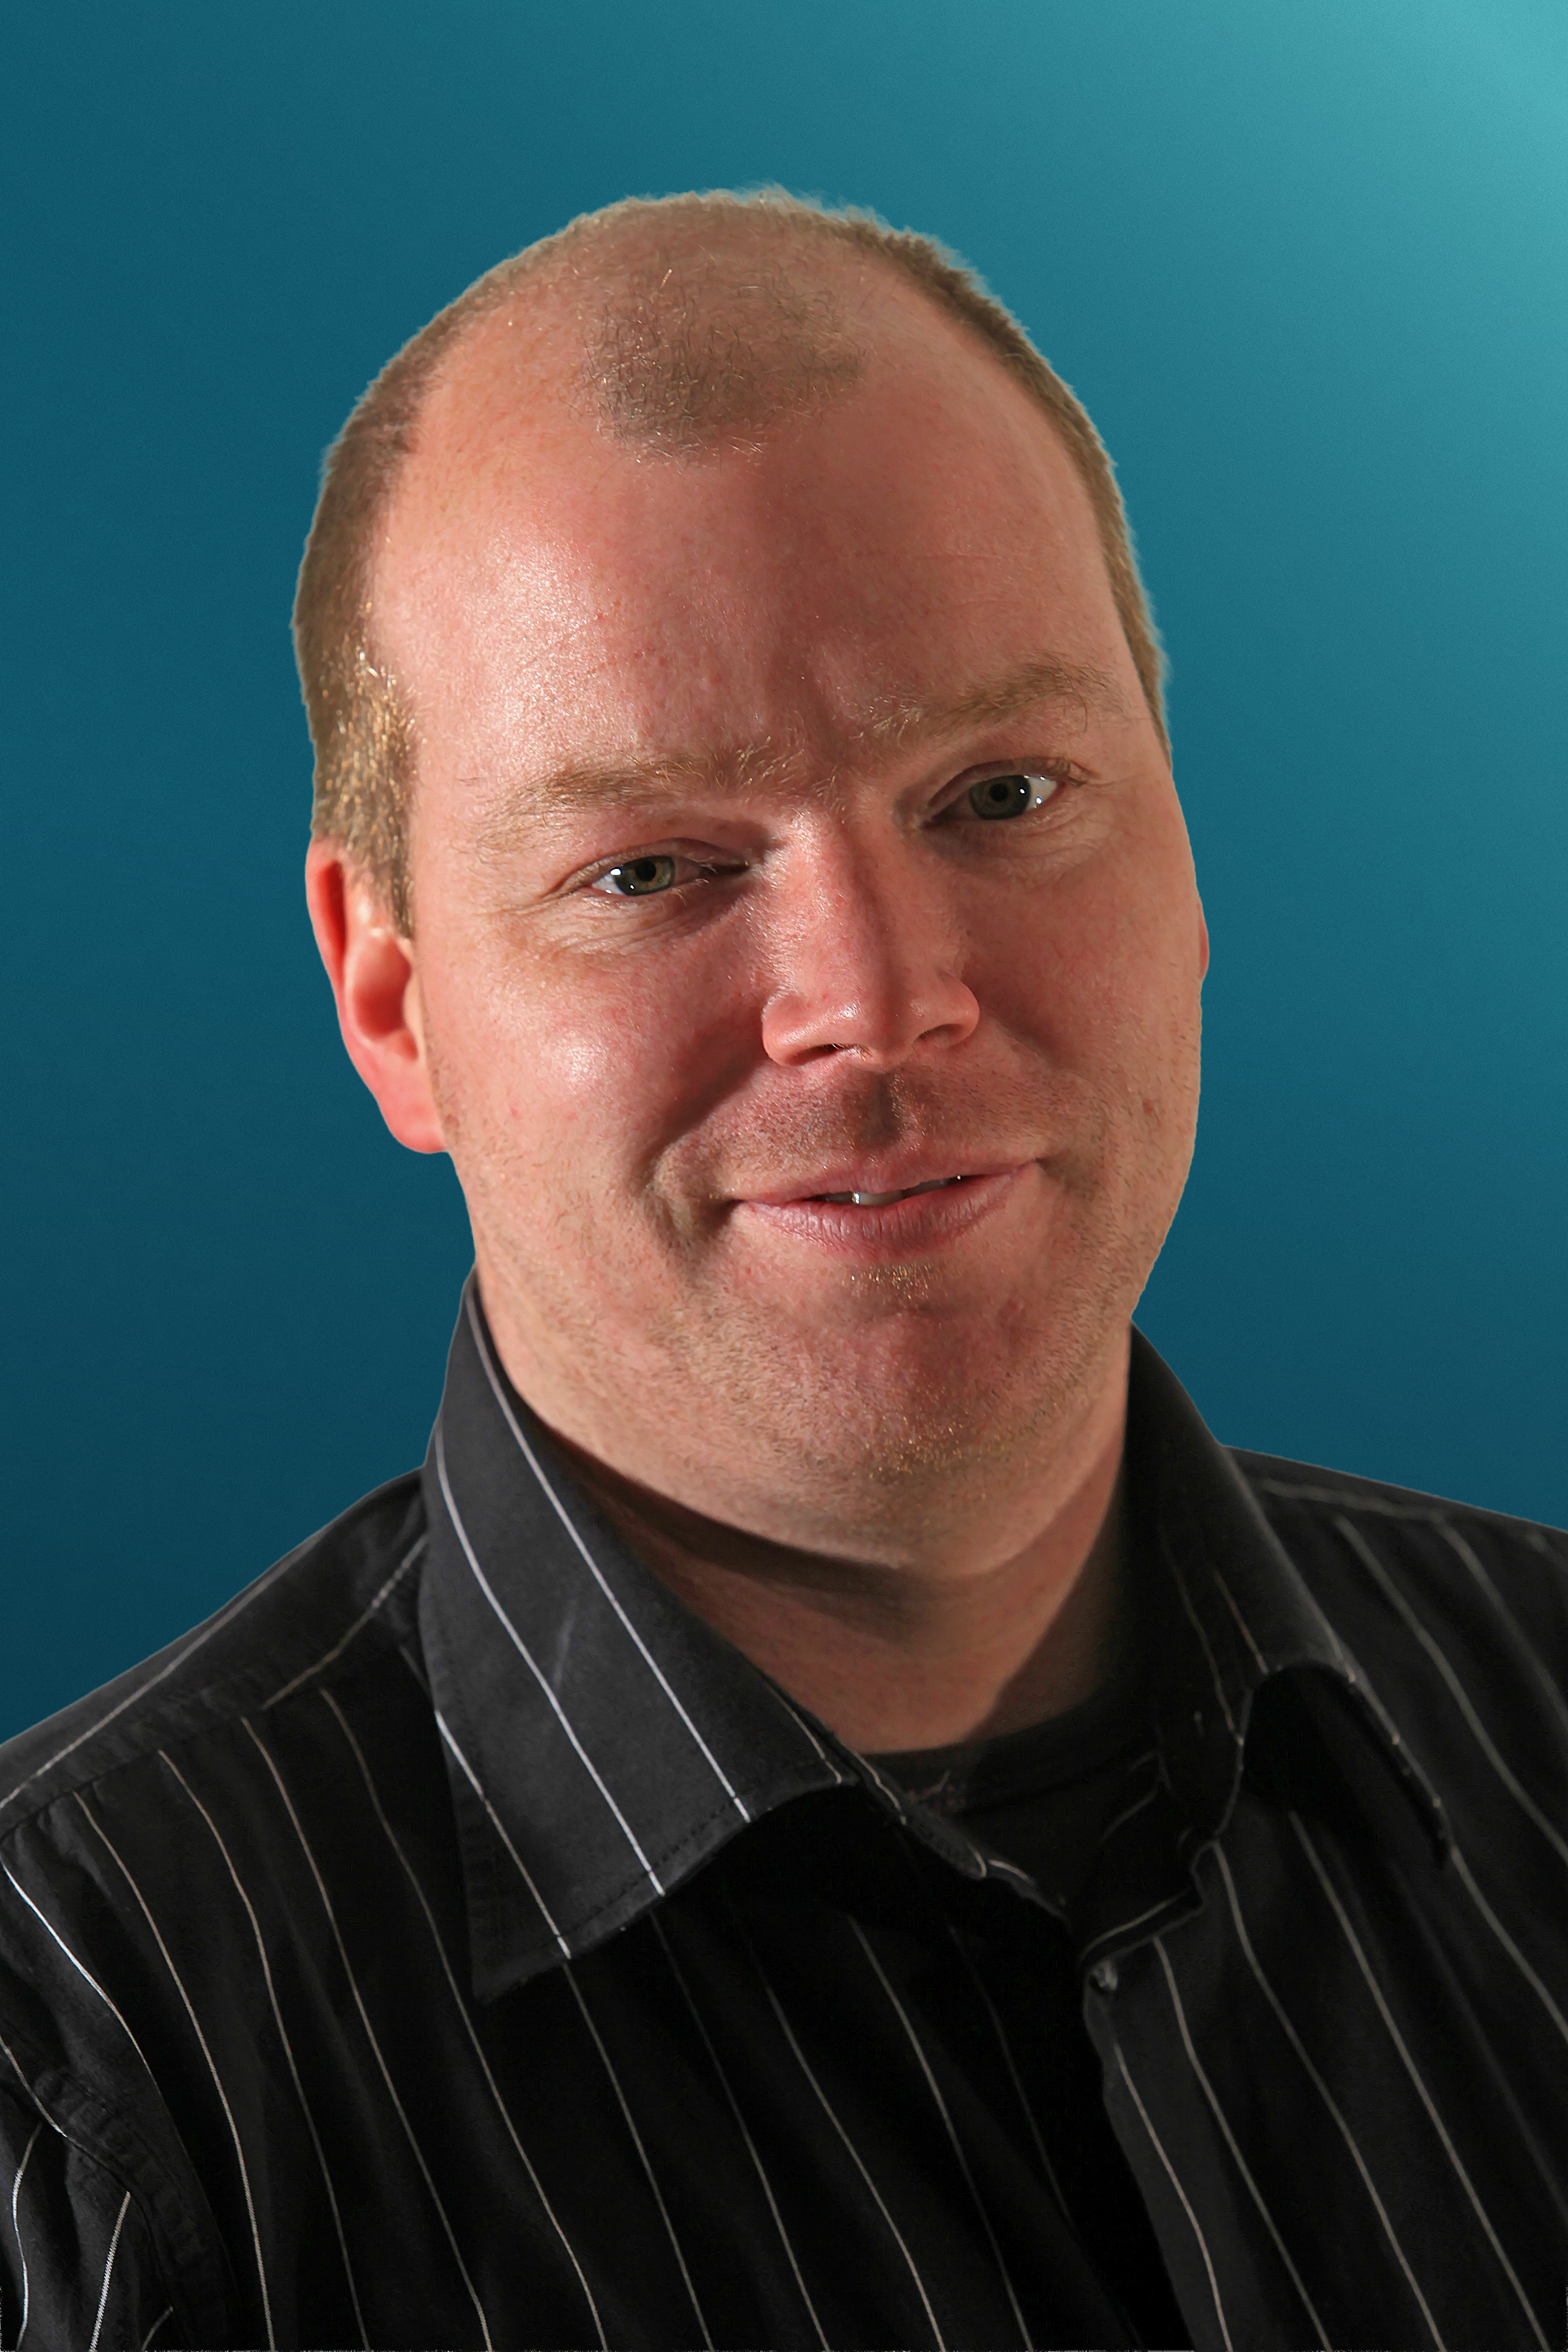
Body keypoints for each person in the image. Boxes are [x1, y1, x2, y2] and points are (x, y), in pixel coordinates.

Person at [1, 189, 1563, 2352]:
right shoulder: (79, 2073)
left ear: (1187, 840)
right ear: (393, 999)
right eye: (652, 866)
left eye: (1001, 792)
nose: (879, 999)